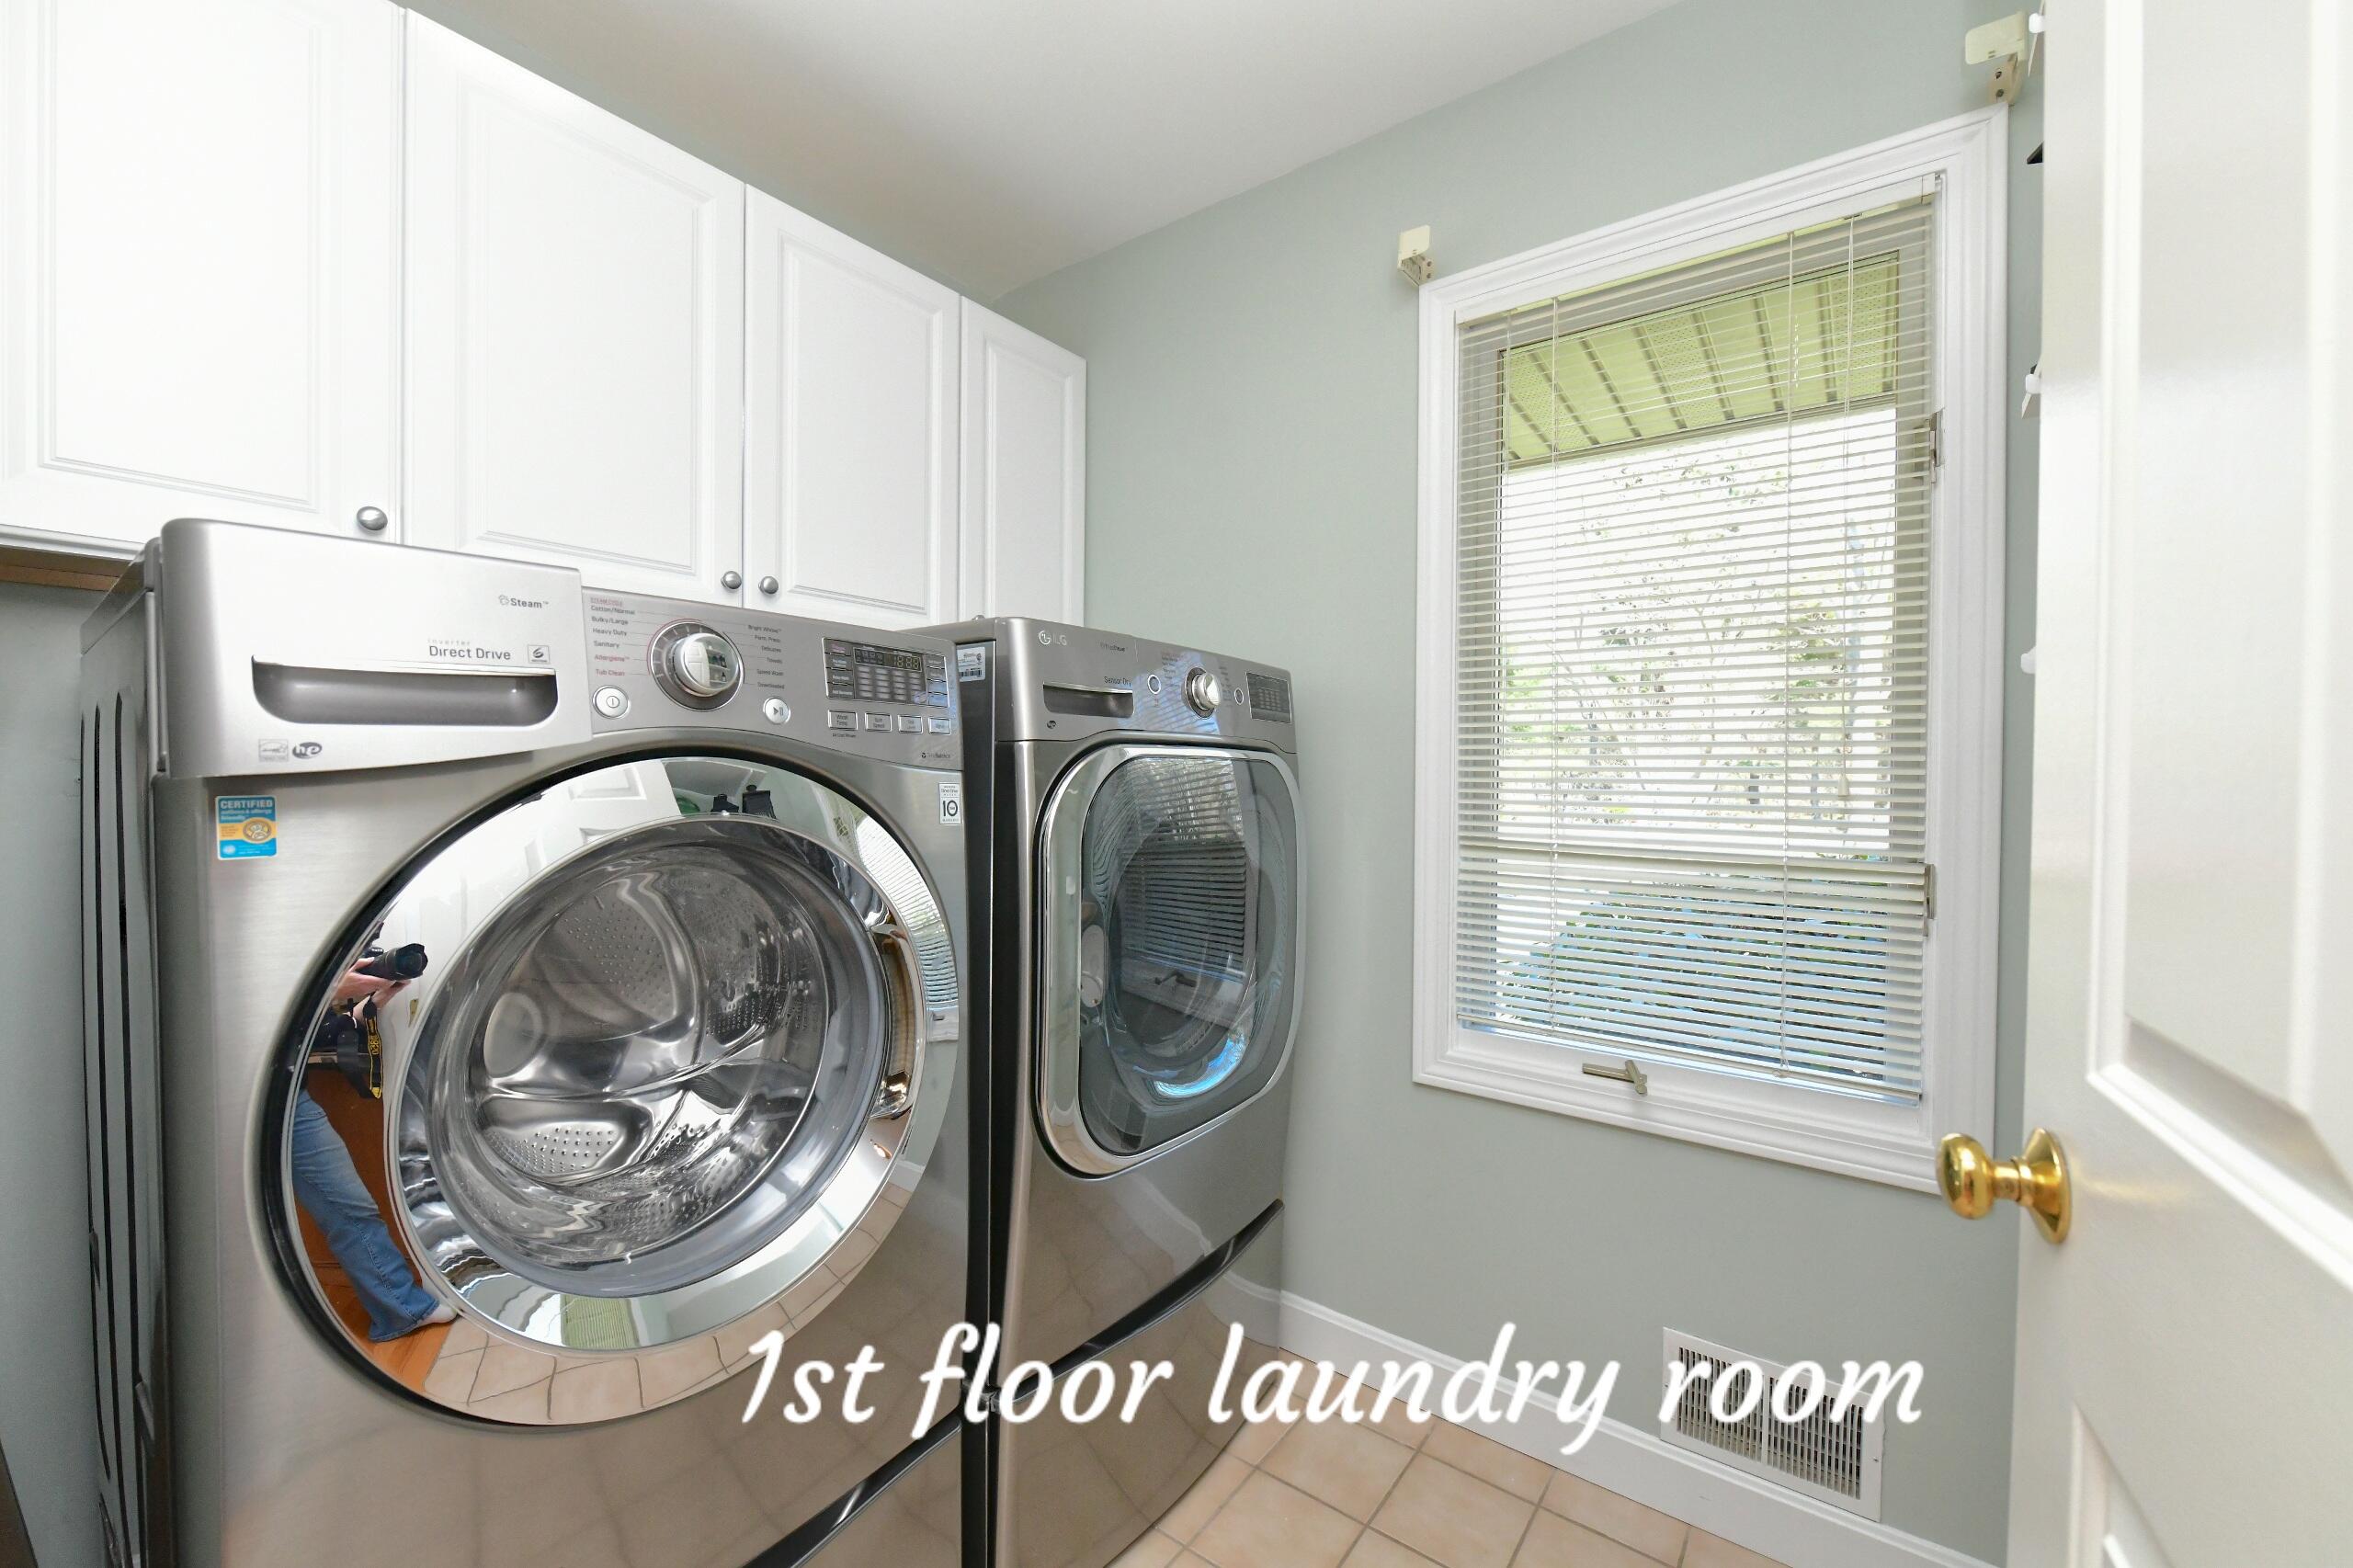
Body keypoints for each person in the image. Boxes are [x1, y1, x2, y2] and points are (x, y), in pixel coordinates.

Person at [290, 965, 453, 1341]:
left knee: (348, 1206)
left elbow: (292, 1039)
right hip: (253, 1104)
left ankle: (400, 1310)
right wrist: (325, 987)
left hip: (287, 1098)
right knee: (346, 1205)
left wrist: (365, 1009)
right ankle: (401, 1309)